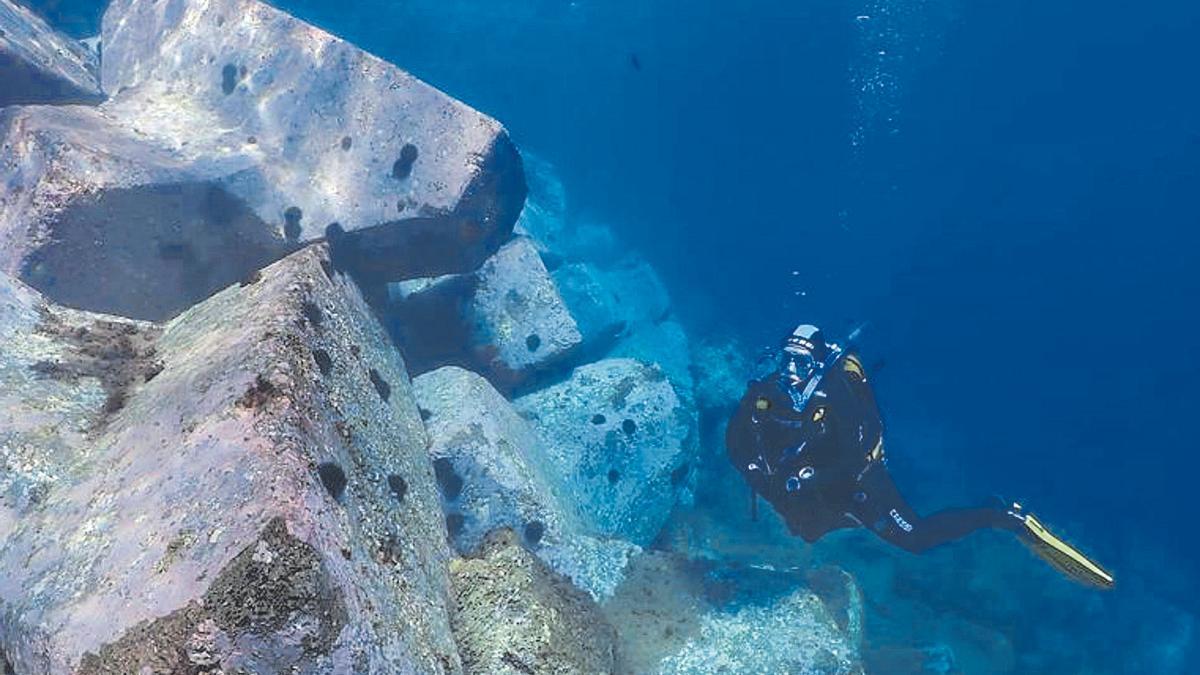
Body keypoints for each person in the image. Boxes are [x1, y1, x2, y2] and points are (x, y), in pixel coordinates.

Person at [726, 323, 1114, 589]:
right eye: (787, 359)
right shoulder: (766, 391)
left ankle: (1002, 516)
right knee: (805, 530)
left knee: (915, 538)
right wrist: (756, 470)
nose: (791, 370)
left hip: (858, 480)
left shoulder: (837, 397)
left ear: (816, 365)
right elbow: (736, 437)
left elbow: (855, 458)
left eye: (801, 362)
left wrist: (809, 478)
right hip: (806, 482)